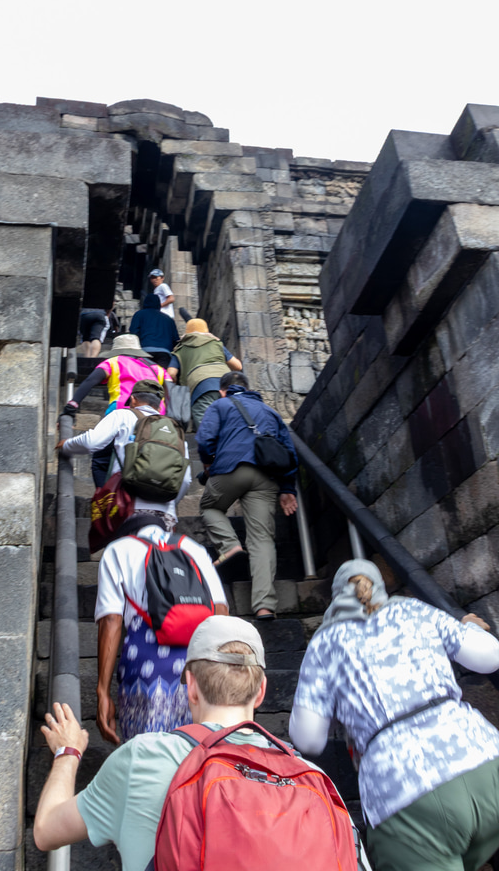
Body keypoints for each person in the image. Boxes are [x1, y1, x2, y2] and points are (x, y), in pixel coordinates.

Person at [289, 559, 499, 871]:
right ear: (380, 587)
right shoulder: (414, 610)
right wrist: (466, 626)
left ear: (335, 598)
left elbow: (308, 739)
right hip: (484, 758)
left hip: (403, 793)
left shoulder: (324, 644)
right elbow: (489, 657)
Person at [34, 615, 272, 867]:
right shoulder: (300, 771)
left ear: (191, 687)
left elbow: (46, 829)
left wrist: (68, 752)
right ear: (261, 692)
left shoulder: (141, 757)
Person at [93, 518, 229, 744]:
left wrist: (102, 692)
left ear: (127, 534)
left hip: (146, 668)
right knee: (199, 749)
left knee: (148, 750)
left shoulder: (118, 550)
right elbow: (220, 610)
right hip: (199, 664)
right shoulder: (193, 547)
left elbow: (111, 620)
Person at [196, 371, 298, 620]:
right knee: (262, 539)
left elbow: (205, 440)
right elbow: (289, 452)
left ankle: (230, 547)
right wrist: (287, 489)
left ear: (223, 391)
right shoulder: (270, 411)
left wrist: (208, 464)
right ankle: (264, 606)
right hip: (266, 477)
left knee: (210, 507)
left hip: (229, 470)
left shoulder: (220, 405)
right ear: (249, 388)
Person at [57, 379, 191, 531]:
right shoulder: (174, 430)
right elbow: (186, 480)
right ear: (159, 405)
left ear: (133, 399)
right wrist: (169, 501)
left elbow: (91, 442)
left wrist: (66, 445)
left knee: (124, 546)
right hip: (164, 513)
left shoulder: (122, 415)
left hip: (126, 506)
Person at [62, 334, 171, 486]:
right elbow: (171, 389)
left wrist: (72, 405)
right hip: (156, 421)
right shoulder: (158, 369)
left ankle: (104, 495)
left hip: (123, 414)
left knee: (101, 460)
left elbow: (90, 380)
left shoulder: (114, 362)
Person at [167, 317, 243, 429]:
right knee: (231, 421)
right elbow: (238, 366)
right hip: (227, 384)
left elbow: (171, 373)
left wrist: (175, 382)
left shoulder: (180, 349)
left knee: (206, 427)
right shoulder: (216, 344)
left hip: (202, 387)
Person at [128, 293, 179, 367]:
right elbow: (175, 339)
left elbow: (133, 333)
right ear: (158, 304)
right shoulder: (168, 319)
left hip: (144, 351)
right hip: (164, 352)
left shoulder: (139, 314)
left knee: (145, 373)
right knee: (161, 373)